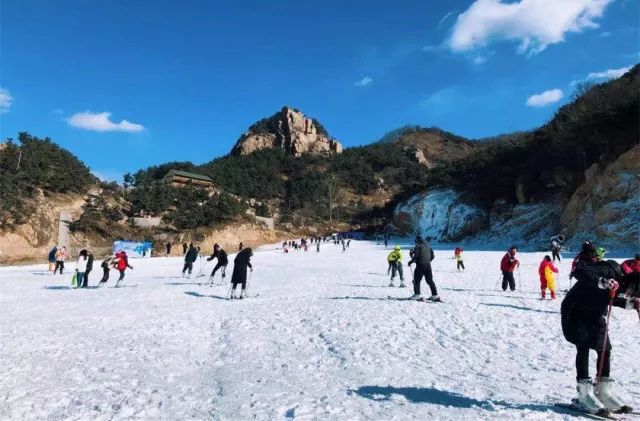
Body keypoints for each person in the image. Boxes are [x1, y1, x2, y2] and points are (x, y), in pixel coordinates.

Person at [561, 250, 639, 415]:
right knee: (583, 347)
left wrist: (629, 304)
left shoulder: (622, 282)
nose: (629, 294)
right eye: (633, 292)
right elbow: (579, 271)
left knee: (605, 348)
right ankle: (584, 394)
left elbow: (610, 296)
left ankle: (603, 392)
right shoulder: (607, 270)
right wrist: (602, 281)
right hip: (575, 310)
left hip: (595, 313)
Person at [408, 236, 439, 301]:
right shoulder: (428, 246)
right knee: (430, 280)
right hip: (428, 266)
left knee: (416, 280)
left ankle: (417, 294)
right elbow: (433, 256)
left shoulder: (418, 246)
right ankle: (435, 295)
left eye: (416, 241)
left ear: (417, 241)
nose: (415, 243)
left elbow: (416, 256)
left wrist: (410, 261)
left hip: (420, 265)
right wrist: (427, 261)